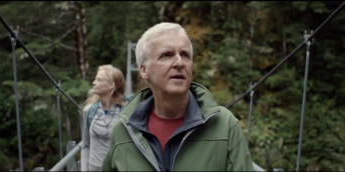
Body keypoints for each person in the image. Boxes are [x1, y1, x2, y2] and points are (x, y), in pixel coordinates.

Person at [102, 22, 254, 171]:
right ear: (143, 70)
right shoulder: (123, 131)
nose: (179, 63)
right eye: (167, 55)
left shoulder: (224, 126)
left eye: (185, 55)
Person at [81, 64, 126, 171]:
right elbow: (85, 145)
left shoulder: (125, 113)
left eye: (99, 80)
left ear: (111, 85)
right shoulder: (89, 111)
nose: (93, 83)